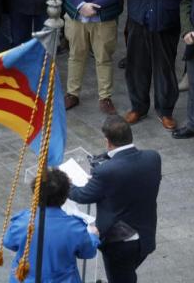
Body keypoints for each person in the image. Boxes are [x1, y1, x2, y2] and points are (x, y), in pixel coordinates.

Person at [68, 115, 162, 283]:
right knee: (127, 275)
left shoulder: (106, 172)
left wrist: (65, 183)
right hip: (146, 235)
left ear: (107, 140)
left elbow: (82, 195)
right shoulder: (153, 158)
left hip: (119, 243)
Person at [123, 0, 191, 129]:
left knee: (165, 68)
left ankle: (165, 110)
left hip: (165, 22)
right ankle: (138, 107)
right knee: (136, 66)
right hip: (138, 18)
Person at [2, 168, 99, 283]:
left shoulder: (22, 221)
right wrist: (93, 236)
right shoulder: (75, 227)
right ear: (65, 196)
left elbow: (9, 243)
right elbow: (88, 252)